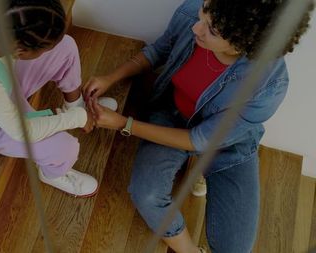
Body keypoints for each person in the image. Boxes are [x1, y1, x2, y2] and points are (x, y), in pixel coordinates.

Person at [83, 0, 313, 252]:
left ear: (245, 43)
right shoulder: (198, 11)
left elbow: (199, 140)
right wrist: (111, 77)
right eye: (203, 11)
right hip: (170, 116)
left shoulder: (268, 87)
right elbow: (158, 50)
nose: (196, 27)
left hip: (227, 143)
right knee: (146, 194)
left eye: (212, 30)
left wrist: (124, 124)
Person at [0, 0, 116, 197]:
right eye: (44, 49)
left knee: (66, 46)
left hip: (2, 84)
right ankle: (53, 174)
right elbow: (24, 132)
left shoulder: (2, 15)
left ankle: (74, 104)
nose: (48, 51)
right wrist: (79, 118)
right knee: (66, 148)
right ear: (21, 51)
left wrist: (73, 112)